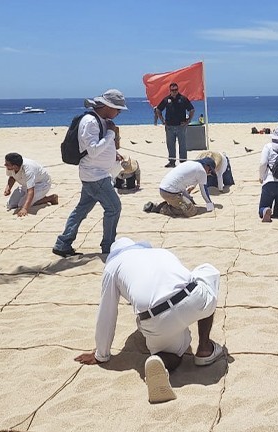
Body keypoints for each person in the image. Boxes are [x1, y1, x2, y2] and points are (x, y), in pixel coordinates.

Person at [74, 237, 224, 404]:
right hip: (190, 299)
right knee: (207, 274)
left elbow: (107, 312)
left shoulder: (112, 268)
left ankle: (159, 360)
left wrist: (101, 355)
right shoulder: (160, 252)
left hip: (156, 318)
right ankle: (204, 347)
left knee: (173, 355)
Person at [52, 89, 126, 257]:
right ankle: (108, 247)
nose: (119, 113)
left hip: (94, 174)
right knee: (114, 208)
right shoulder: (91, 121)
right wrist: (111, 133)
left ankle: (63, 243)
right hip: (95, 175)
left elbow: (97, 146)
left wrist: (113, 153)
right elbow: (93, 150)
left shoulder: (100, 120)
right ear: (108, 106)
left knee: (82, 209)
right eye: (118, 109)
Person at [144, 158, 215, 217]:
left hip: (164, 189)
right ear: (207, 166)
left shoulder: (191, 164)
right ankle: (161, 209)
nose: (208, 173)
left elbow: (182, 186)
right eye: (210, 171)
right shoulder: (202, 171)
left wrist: (189, 198)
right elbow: (204, 191)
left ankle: (162, 205)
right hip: (171, 193)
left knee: (188, 204)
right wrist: (210, 205)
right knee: (191, 211)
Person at [3, 152, 58, 217]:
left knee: (22, 204)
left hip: (41, 184)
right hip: (25, 184)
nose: (5, 165)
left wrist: (25, 209)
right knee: (10, 204)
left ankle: (50, 198)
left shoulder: (29, 169)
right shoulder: (10, 167)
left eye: (7, 164)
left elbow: (31, 190)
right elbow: (12, 176)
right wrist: (8, 188)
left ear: (14, 166)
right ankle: (38, 198)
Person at [154, 83, 195, 168]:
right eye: (173, 90)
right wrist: (162, 120)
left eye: (176, 90)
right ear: (170, 90)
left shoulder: (183, 99)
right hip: (169, 126)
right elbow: (158, 109)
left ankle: (183, 162)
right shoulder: (166, 99)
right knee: (170, 145)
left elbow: (192, 109)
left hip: (181, 126)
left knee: (182, 145)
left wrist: (188, 121)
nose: (174, 92)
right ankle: (172, 162)